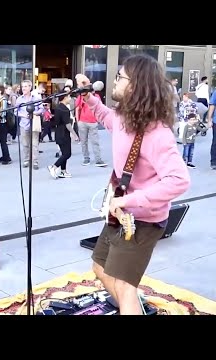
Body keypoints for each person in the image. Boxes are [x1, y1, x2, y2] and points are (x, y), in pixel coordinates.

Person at [76, 54, 190, 315]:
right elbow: (107, 118)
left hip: (142, 221)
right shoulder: (124, 117)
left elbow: (179, 180)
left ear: (136, 85)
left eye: (119, 77)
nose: (113, 81)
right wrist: (88, 97)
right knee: (100, 267)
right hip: (120, 214)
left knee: (124, 286)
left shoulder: (157, 133)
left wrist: (128, 200)